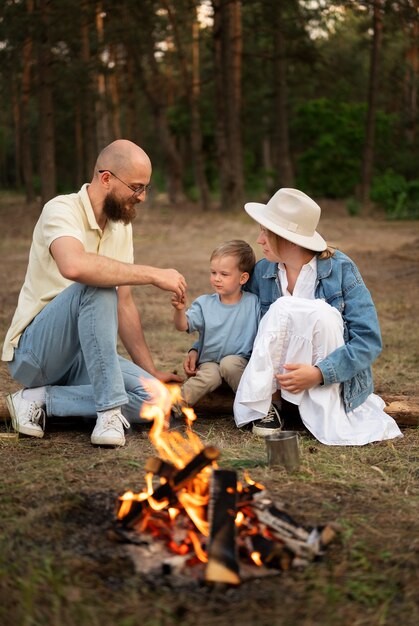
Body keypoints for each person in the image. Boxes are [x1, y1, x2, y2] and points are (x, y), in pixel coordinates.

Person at [2, 139, 186, 447]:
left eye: (145, 189)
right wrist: (153, 274)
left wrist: (150, 371)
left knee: (158, 399)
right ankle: (109, 411)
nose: (142, 197)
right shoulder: (60, 209)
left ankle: (39, 400)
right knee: (97, 285)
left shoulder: (121, 226)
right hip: (37, 353)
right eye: (137, 187)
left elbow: (125, 304)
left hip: (84, 358)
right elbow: (74, 266)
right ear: (106, 178)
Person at [231, 187, 402, 445]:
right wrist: (199, 349)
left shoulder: (341, 269)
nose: (259, 240)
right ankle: (273, 404)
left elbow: (367, 340)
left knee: (319, 312)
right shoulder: (263, 272)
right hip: (279, 383)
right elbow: (241, 319)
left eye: (266, 233)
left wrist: (319, 373)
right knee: (281, 309)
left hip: (328, 382)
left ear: (288, 239)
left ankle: (322, 405)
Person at [171, 240, 260, 407]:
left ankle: (255, 407)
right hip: (209, 363)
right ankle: (173, 406)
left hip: (239, 367)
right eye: (213, 273)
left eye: (224, 274)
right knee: (210, 375)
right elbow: (182, 326)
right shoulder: (204, 304)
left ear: (243, 278)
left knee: (230, 364)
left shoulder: (253, 303)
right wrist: (179, 310)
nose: (217, 279)